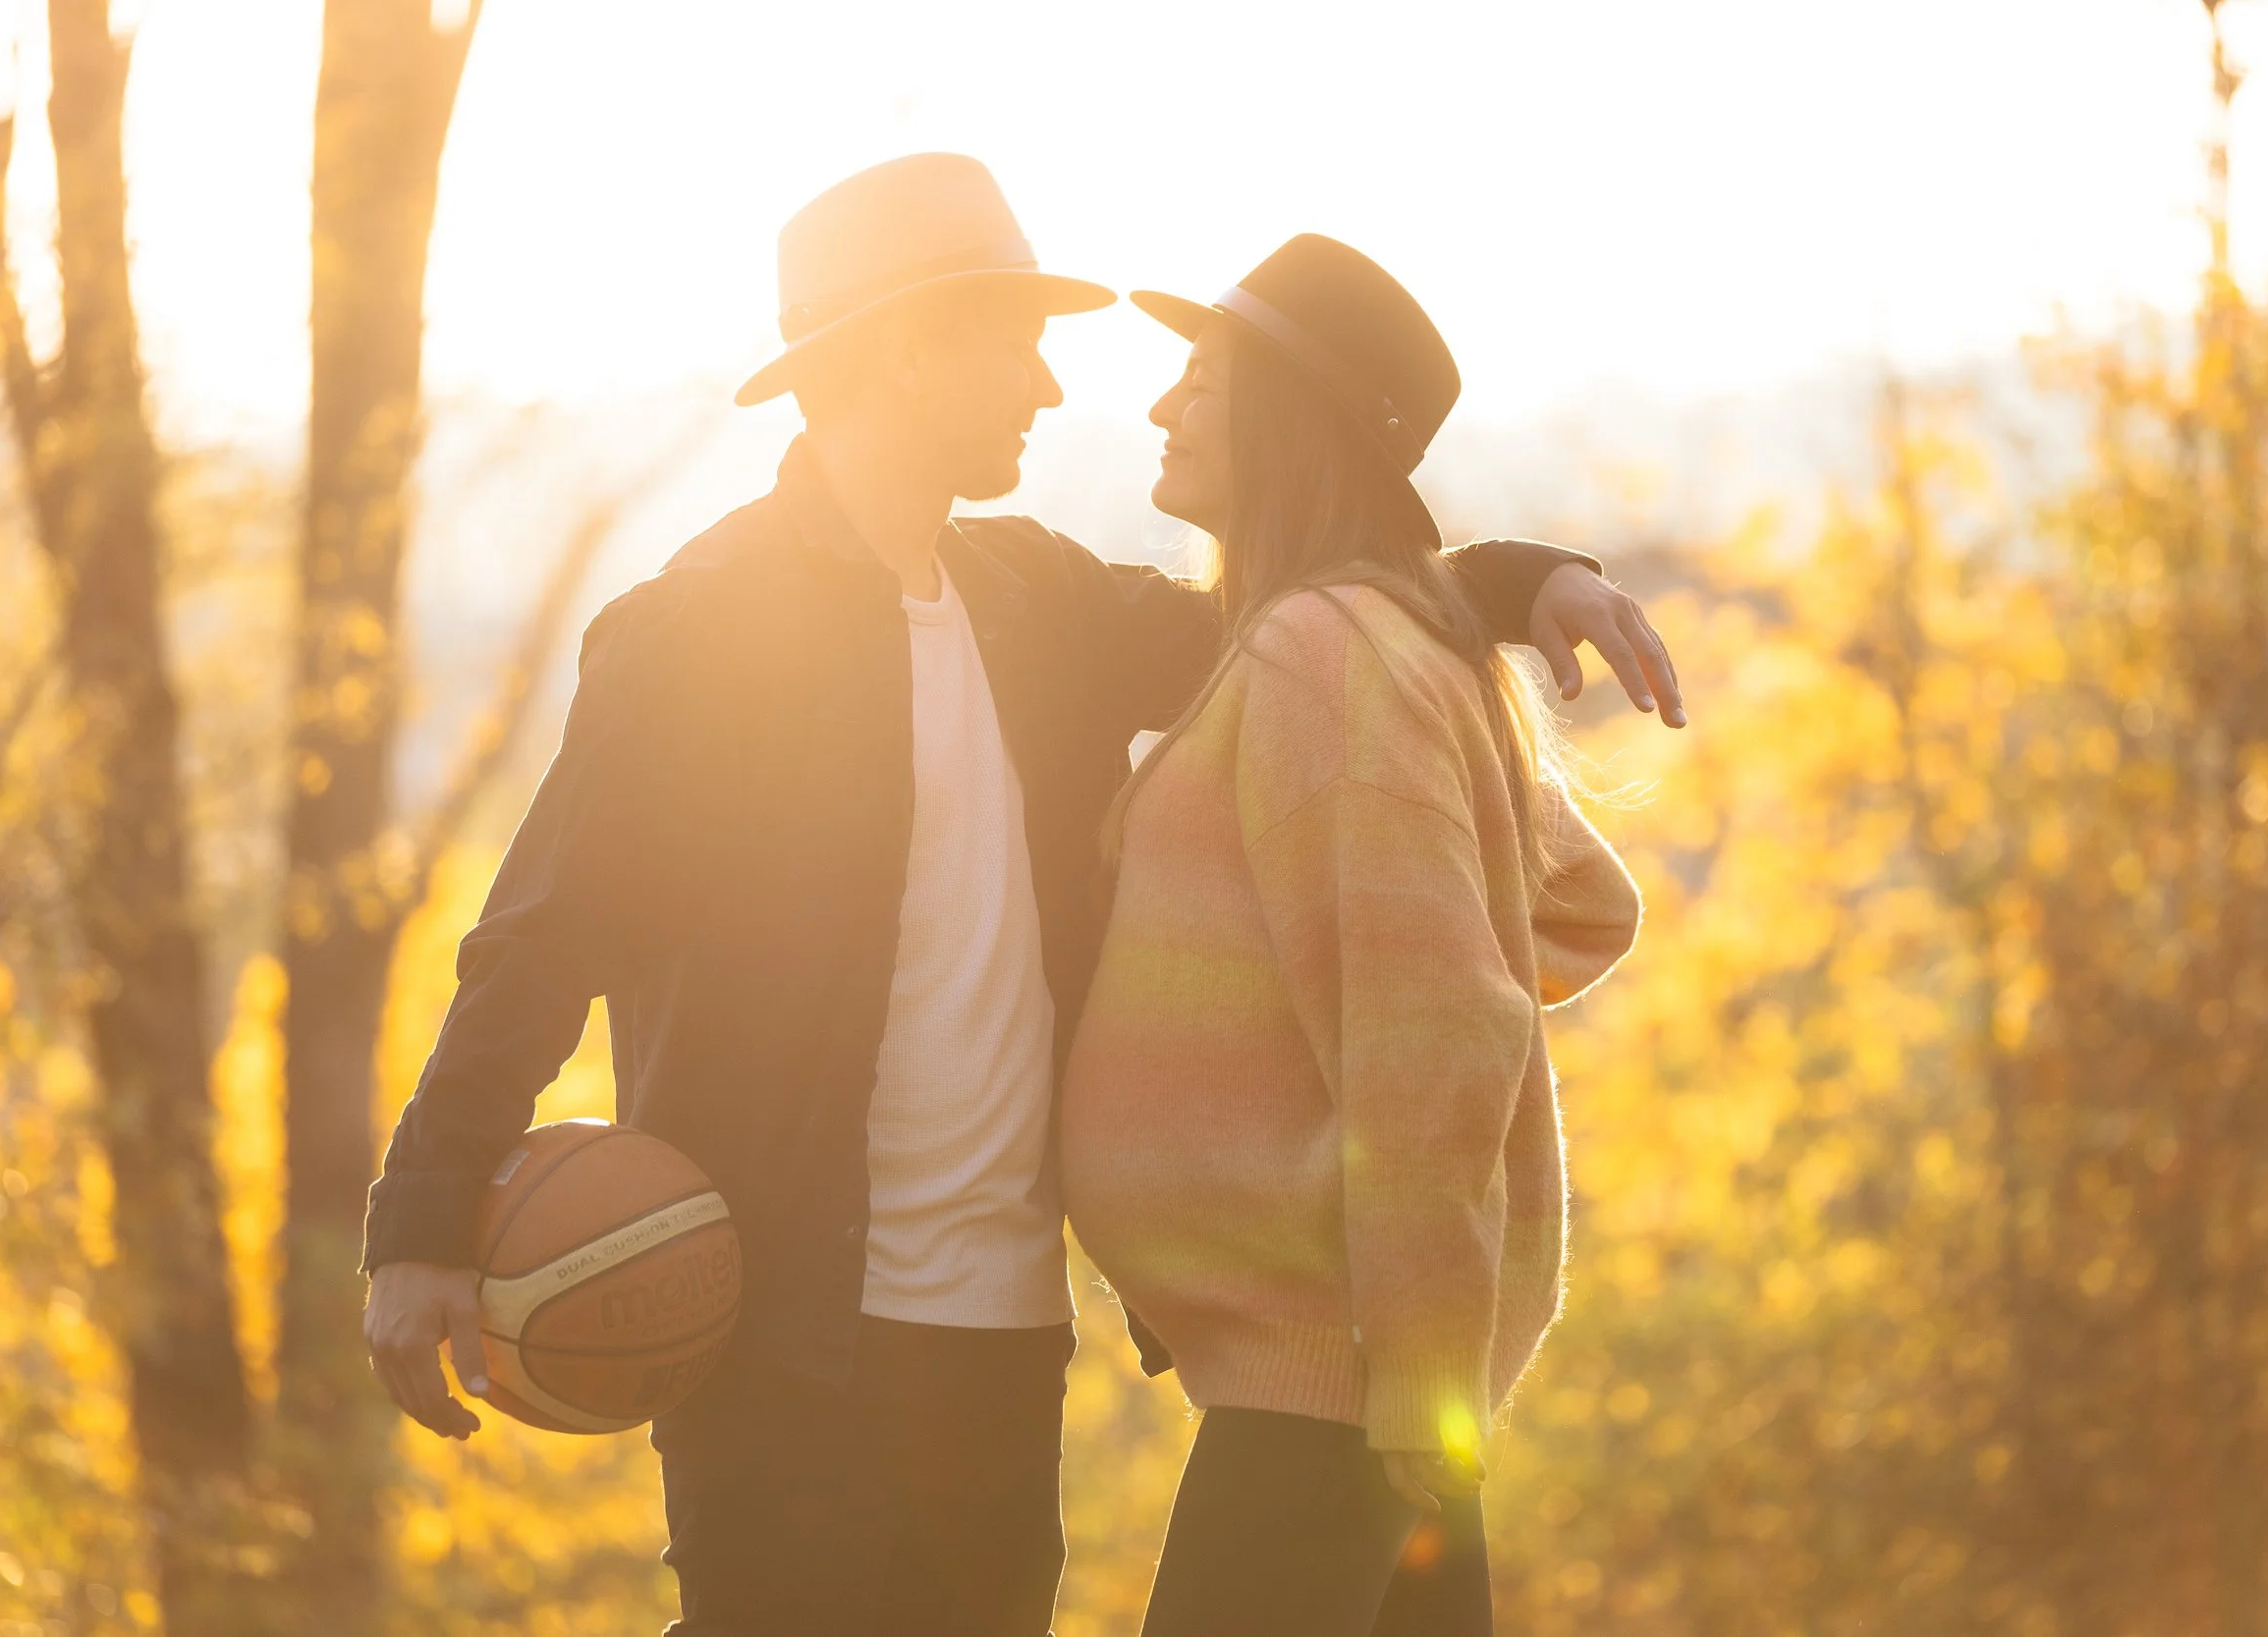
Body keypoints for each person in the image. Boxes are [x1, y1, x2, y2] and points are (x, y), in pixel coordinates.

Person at [360, 155, 1680, 1637]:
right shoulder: (699, 638)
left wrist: (1518, 578)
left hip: (1001, 1342)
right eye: (1017, 341)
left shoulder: (1038, 601)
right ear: (910, 346)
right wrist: (418, 1227)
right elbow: (539, 946)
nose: (1052, 389)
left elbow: (1298, 627)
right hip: (786, 1348)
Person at [1061, 235, 1645, 1636]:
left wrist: (1419, 1379)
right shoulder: (1366, 641)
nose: (1160, 407)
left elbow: (1435, 1023)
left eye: (1199, 377)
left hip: (1333, 1404)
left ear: (1282, 412)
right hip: (1369, 1396)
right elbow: (1563, 904)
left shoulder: (1324, 659)